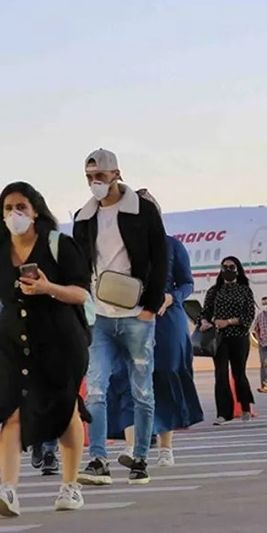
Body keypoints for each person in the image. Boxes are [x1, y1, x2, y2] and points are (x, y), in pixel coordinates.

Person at [0, 182, 92, 516]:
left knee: (65, 412)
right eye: (8, 208)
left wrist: (49, 287)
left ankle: (70, 486)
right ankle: (9, 489)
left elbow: (80, 293)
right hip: (14, 343)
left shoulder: (59, 245)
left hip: (60, 341)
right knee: (11, 410)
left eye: (21, 207)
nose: (14, 214)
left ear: (36, 210)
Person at [74, 149, 168, 488]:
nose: (95, 183)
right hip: (99, 315)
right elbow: (79, 266)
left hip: (136, 314)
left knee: (141, 390)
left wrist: (151, 304)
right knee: (95, 389)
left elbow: (161, 258)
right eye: (89, 178)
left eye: (100, 176)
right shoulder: (83, 217)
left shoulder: (142, 211)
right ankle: (98, 459)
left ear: (117, 174)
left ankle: (140, 457)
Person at [106, 188, 203, 468]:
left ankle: (165, 448)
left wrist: (173, 297)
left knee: (163, 377)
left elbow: (186, 282)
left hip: (166, 319)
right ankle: (133, 447)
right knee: (126, 377)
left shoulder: (172, 245)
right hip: (129, 317)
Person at [200, 256, 258, 425]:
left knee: (239, 373)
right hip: (219, 338)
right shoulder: (214, 291)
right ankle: (223, 413)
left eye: (231, 267)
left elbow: (248, 316)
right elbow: (206, 312)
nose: (227, 270)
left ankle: (245, 406)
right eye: (224, 267)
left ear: (237, 269)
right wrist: (204, 322)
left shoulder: (244, 290)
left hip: (239, 337)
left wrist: (229, 321)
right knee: (220, 374)